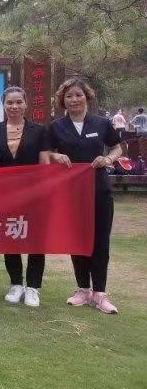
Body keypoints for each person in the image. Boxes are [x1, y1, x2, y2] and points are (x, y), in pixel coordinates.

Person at [48, 78, 123, 314]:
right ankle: (82, 289)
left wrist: (108, 159)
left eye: (78, 95)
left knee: (100, 241)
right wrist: (56, 156)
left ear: (87, 97)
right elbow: (46, 152)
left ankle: (100, 294)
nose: (74, 100)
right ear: (63, 100)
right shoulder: (56, 127)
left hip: (99, 191)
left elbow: (118, 147)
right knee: (78, 240)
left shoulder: (102, 123)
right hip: (71, 193)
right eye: (69, 96)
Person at [0, 87, 51, 308]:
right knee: (11, 237)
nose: (14, 106)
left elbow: (44, 163)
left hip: (34, 194)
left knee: (36, 239)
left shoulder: (39, 131)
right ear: (3, 105)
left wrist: (44, 190)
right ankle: (16, 283)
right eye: (9, 103)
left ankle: (33, 287)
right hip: (5, 195)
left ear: (25, 104)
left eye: (18, 102)